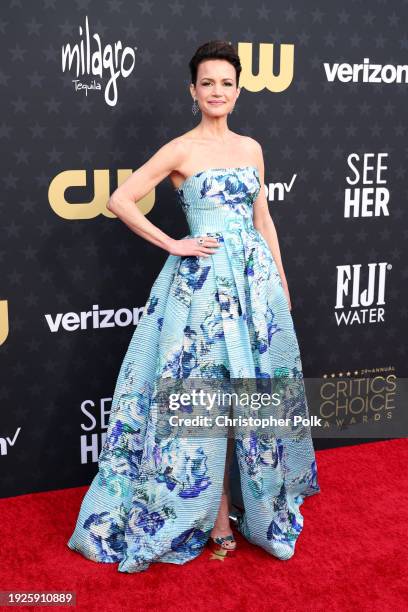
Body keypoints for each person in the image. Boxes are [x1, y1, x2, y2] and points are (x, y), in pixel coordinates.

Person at [67, 40, 320, 573]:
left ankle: (245, 503)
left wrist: (279, 279)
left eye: (226, 82)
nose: (217, 91)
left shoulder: (251, 148)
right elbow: (119, 200)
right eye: (208, 82)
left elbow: (262, 219)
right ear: (193, 90)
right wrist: (177, 243)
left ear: (238, 89)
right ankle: (217, 516)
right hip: (201, 289)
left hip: (255, 287)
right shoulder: (180, 149)